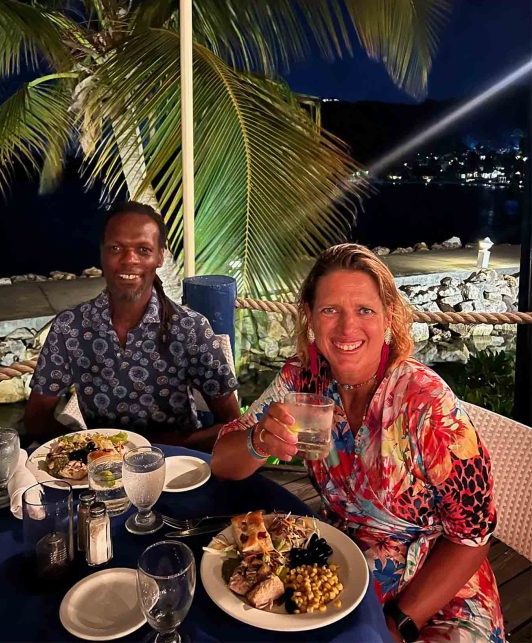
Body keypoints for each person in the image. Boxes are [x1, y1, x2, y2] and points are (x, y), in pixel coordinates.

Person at [212, 244, 502, 642]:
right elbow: (222, 461)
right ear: (311, 319)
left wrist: (398, 621)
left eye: (364, 310)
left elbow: (473, 537)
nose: (347, 328)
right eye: (330, 310)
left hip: (437, 593)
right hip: (341, 567)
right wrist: (260, 441)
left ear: (388, 318)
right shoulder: (302, 381)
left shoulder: (426, 405)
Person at [23, 201, 241, 450]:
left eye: (143, 250)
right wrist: (87, 451)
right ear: (102, 253)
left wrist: (157, 447)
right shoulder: (70, 328)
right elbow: (37, 420)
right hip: (102, 470)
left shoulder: (189, 329)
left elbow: (233, 425)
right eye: (116, 248)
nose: (129, 260)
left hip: (177, 467)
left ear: (160, 256)